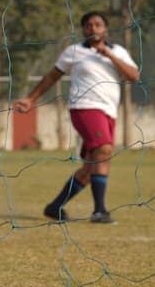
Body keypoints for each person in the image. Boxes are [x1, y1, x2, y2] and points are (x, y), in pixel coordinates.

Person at [14, 11, 140, 224]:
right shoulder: (73, 52)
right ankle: (99, 211)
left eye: (98, 24)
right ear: (83, 30)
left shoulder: (118, 51)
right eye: (88, 25)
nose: (93, 28)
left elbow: (134, 76)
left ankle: (55, 207)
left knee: (92, 167)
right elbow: (52, 76)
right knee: (104, 150)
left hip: (108, 112)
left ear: (106, 28)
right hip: (84, 108)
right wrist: (30, 99)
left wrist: (108, 54)